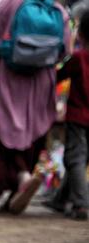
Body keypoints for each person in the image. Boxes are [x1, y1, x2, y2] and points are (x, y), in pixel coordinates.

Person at [0, 0, 70, 214]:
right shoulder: (58, 10)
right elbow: (64, 51)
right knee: (30, 135)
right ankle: (20, 183)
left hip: (8, 78)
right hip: (41, 82)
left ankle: (21, 178)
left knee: (0, 132)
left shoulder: (10, 5)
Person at [48, 11, 89, 220]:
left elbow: (58, 75)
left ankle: (81, 204)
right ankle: (60, 199)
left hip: (79, 117)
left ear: (81, 33)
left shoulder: (79, 58)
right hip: (82, 117)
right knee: (80, 159)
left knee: (75, 158)